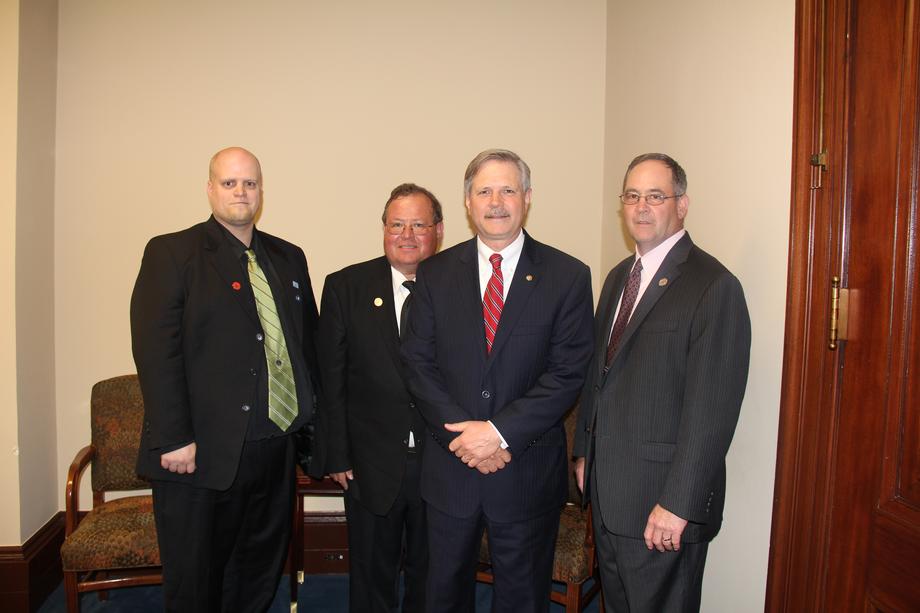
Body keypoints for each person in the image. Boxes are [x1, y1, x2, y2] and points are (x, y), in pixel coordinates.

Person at [402, 149, 594, 612]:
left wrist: (497, 433)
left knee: (522, 600)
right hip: (451, 473)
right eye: (484, 190)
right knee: (443, 597)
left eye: (508, 190)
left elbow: (567, 373)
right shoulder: (434, 274)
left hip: (525, 473)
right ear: (468, 202)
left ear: (527, 198)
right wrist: (467, 438)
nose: (496, 201)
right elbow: (418, 365)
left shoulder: (567, 276)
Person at [130, 146, 320, 612]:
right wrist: (174, 436)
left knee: (257, 572)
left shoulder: (288, 257)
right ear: (210, 189)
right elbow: (156, 351)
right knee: (196, 580)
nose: (241, 192)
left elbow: (306, 346)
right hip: (197, 454)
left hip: (274, 448)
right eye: (229, 182)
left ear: (261, 191)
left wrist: (314, 433)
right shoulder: (172, 252)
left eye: (250, 183)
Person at [574, 153, 751, 612]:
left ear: (682, 204)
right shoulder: (618, 277)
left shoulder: (714, 286)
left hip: (662, 508)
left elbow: (712, 412)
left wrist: (677, 504)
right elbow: (599, 375)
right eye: (632, 196)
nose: (641, 207)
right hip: (610, 495)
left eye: (655, 196)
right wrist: (585, 452)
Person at [312, 183, 444, 612]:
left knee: (433, 580)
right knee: (371, 580)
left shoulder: (459, 287)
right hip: (368, 464)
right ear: (383, 229)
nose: (407, 235)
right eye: (396, 225)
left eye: (419, 225)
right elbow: (330, 379)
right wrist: (337, 453)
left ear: (438, 231)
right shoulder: (346, 286)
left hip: (441, 462)